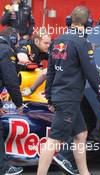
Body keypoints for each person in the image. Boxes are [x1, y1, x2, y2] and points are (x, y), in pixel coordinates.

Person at [37, 6, 100, 175]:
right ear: (88, 23)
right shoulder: (83, 43)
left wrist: (49, 97)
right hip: (69, 99)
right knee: (54, 140)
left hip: (64, 98)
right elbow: (91, 72)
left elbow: (51, 71)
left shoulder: (57, 41)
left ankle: (84, 173)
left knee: (81, 133)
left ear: (70, 20)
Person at [0, 27, 24, 175]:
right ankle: (3, 168)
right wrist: (19, 103)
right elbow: (11, 81)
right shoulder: (5, 50)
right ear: (13, 38)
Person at [16, 28, 51, 96]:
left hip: (29, 82)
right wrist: (37, 68)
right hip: (14, 80)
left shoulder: (45, 49)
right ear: (37, 41)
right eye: (46, 43)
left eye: (49, 43)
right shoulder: (26, 44)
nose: (48, 46)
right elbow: (22, 59)